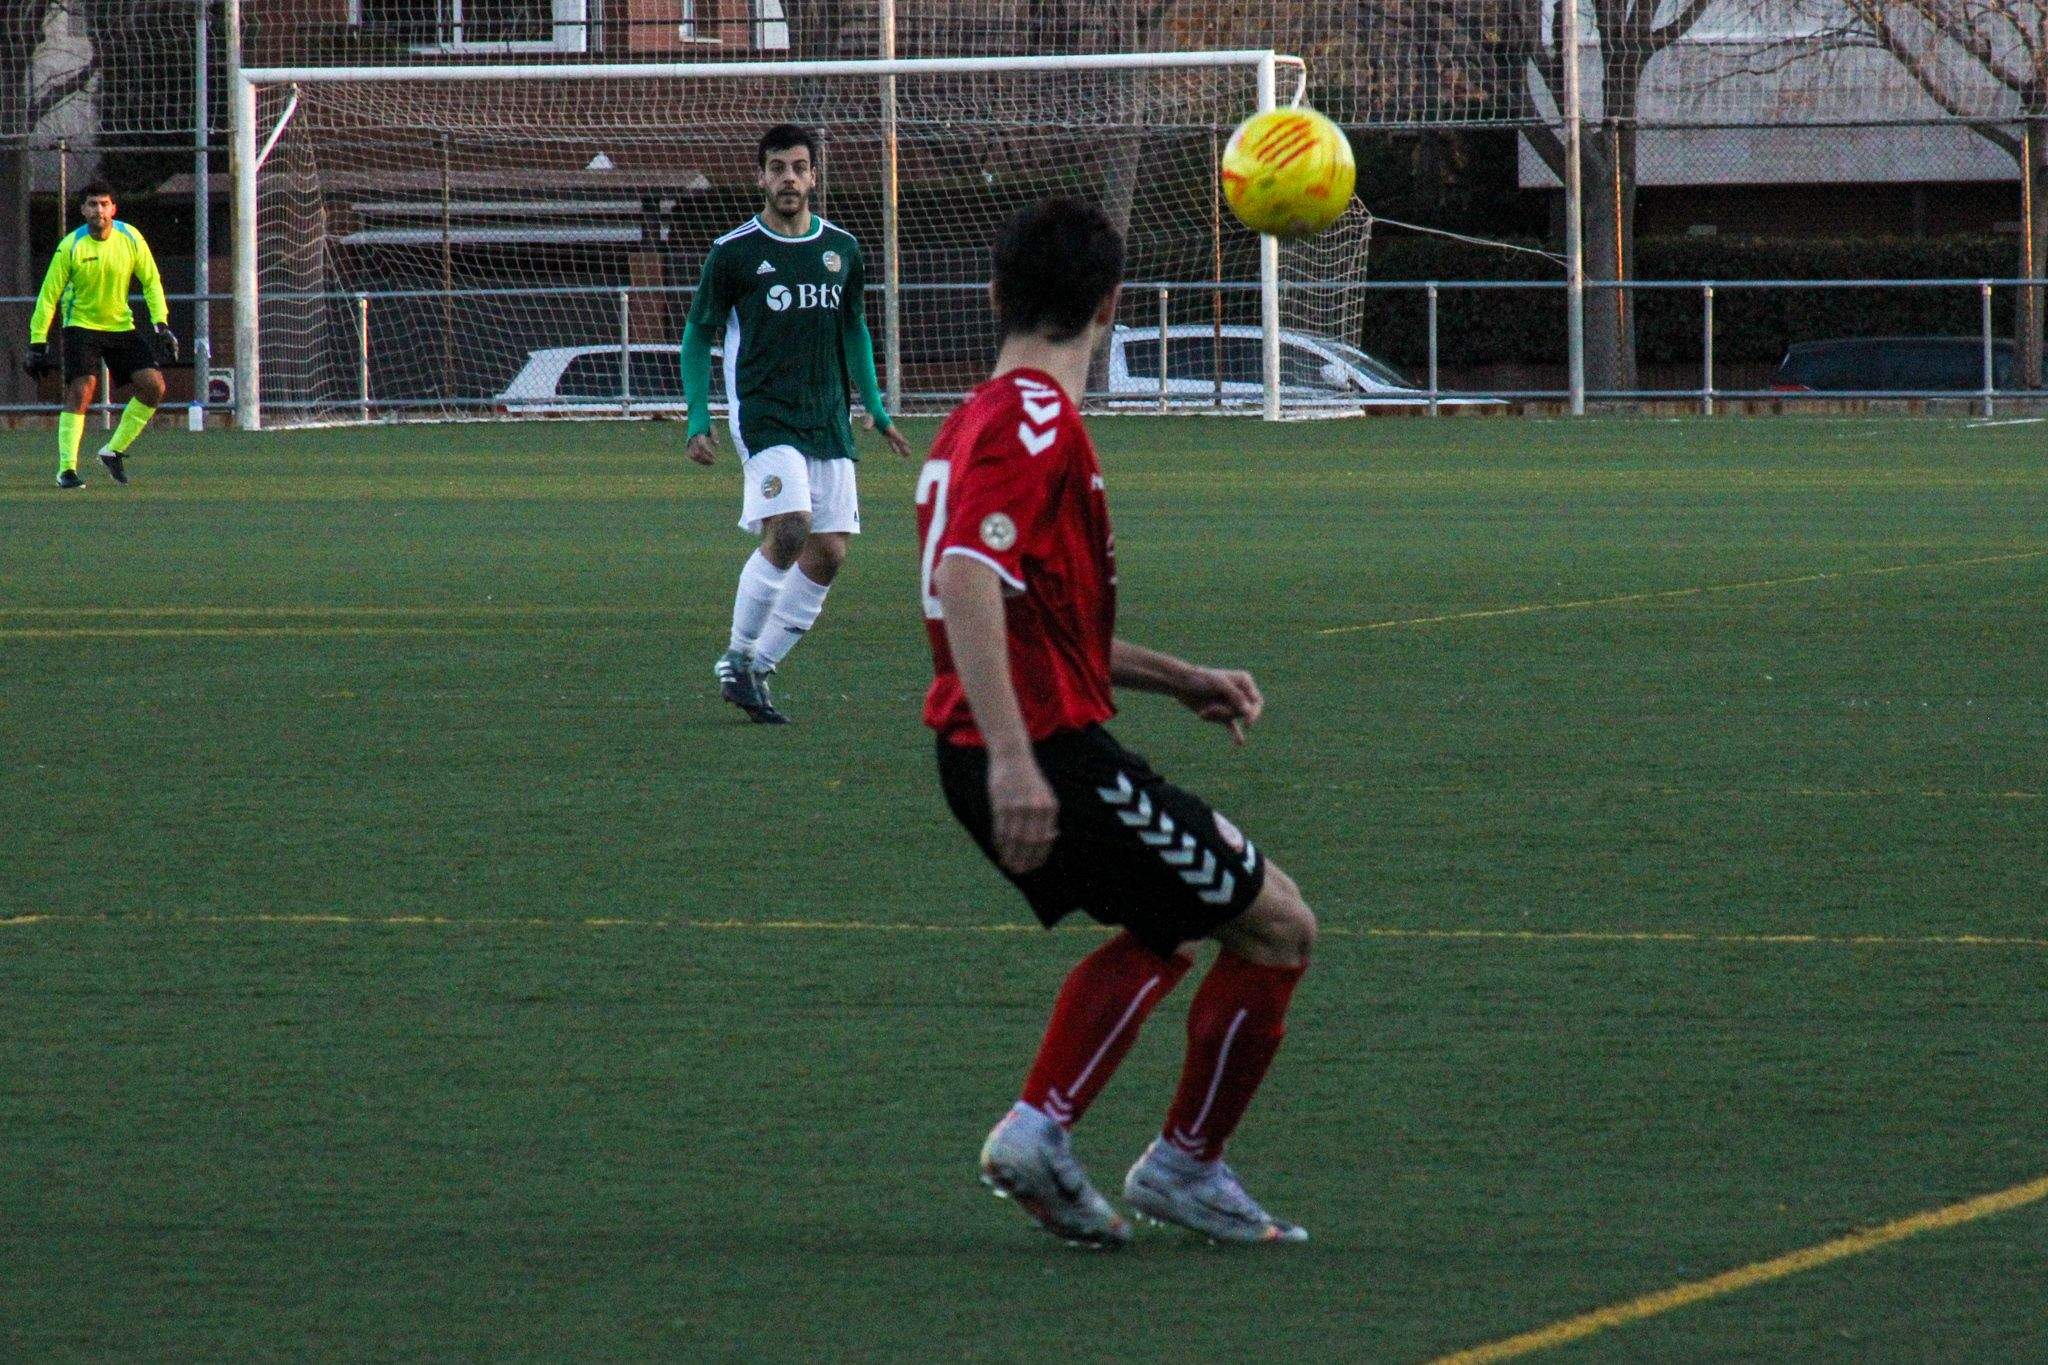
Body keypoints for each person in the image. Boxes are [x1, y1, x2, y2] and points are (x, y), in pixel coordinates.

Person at [918, 197, 1317, 1248]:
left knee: (1178, 915)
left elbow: (1026, 614)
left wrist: (1173, 674)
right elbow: (966, 575)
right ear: (1112, 305)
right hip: (1038, 753)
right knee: (1277, 926)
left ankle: (1047, 1131)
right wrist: (1015, 759)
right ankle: (1176, 1163)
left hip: (1018, 742)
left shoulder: (969, 419)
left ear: (994, 294)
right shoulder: (1032, 422)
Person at [681, 124, 912, 723]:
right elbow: (697, 335)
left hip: (827, 417)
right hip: (765, 415)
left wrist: (878, 410)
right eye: (777, 167)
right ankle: (737, 655)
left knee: (829, 552)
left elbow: (855, 330)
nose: (789, 177)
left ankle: (758, 668)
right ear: (760, 177)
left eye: (799, 167)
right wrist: (697, 418)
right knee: (790, 528)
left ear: (814, 177)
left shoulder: (842, 249)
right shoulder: (733, 252)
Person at [24, 181, 177, 488]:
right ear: (83, 210)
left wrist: (161, 324)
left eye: (104, 204)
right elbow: (48, 295)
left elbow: (151, 281)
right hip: (80, 326)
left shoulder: (131, 238)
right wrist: (37, 341)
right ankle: (66, 469)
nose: (99, 210)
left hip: (121, 326)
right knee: (83, 389)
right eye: (92, 204)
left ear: (113, 209)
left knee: (154, 387)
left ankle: (113, 451)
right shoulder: (71, 246)